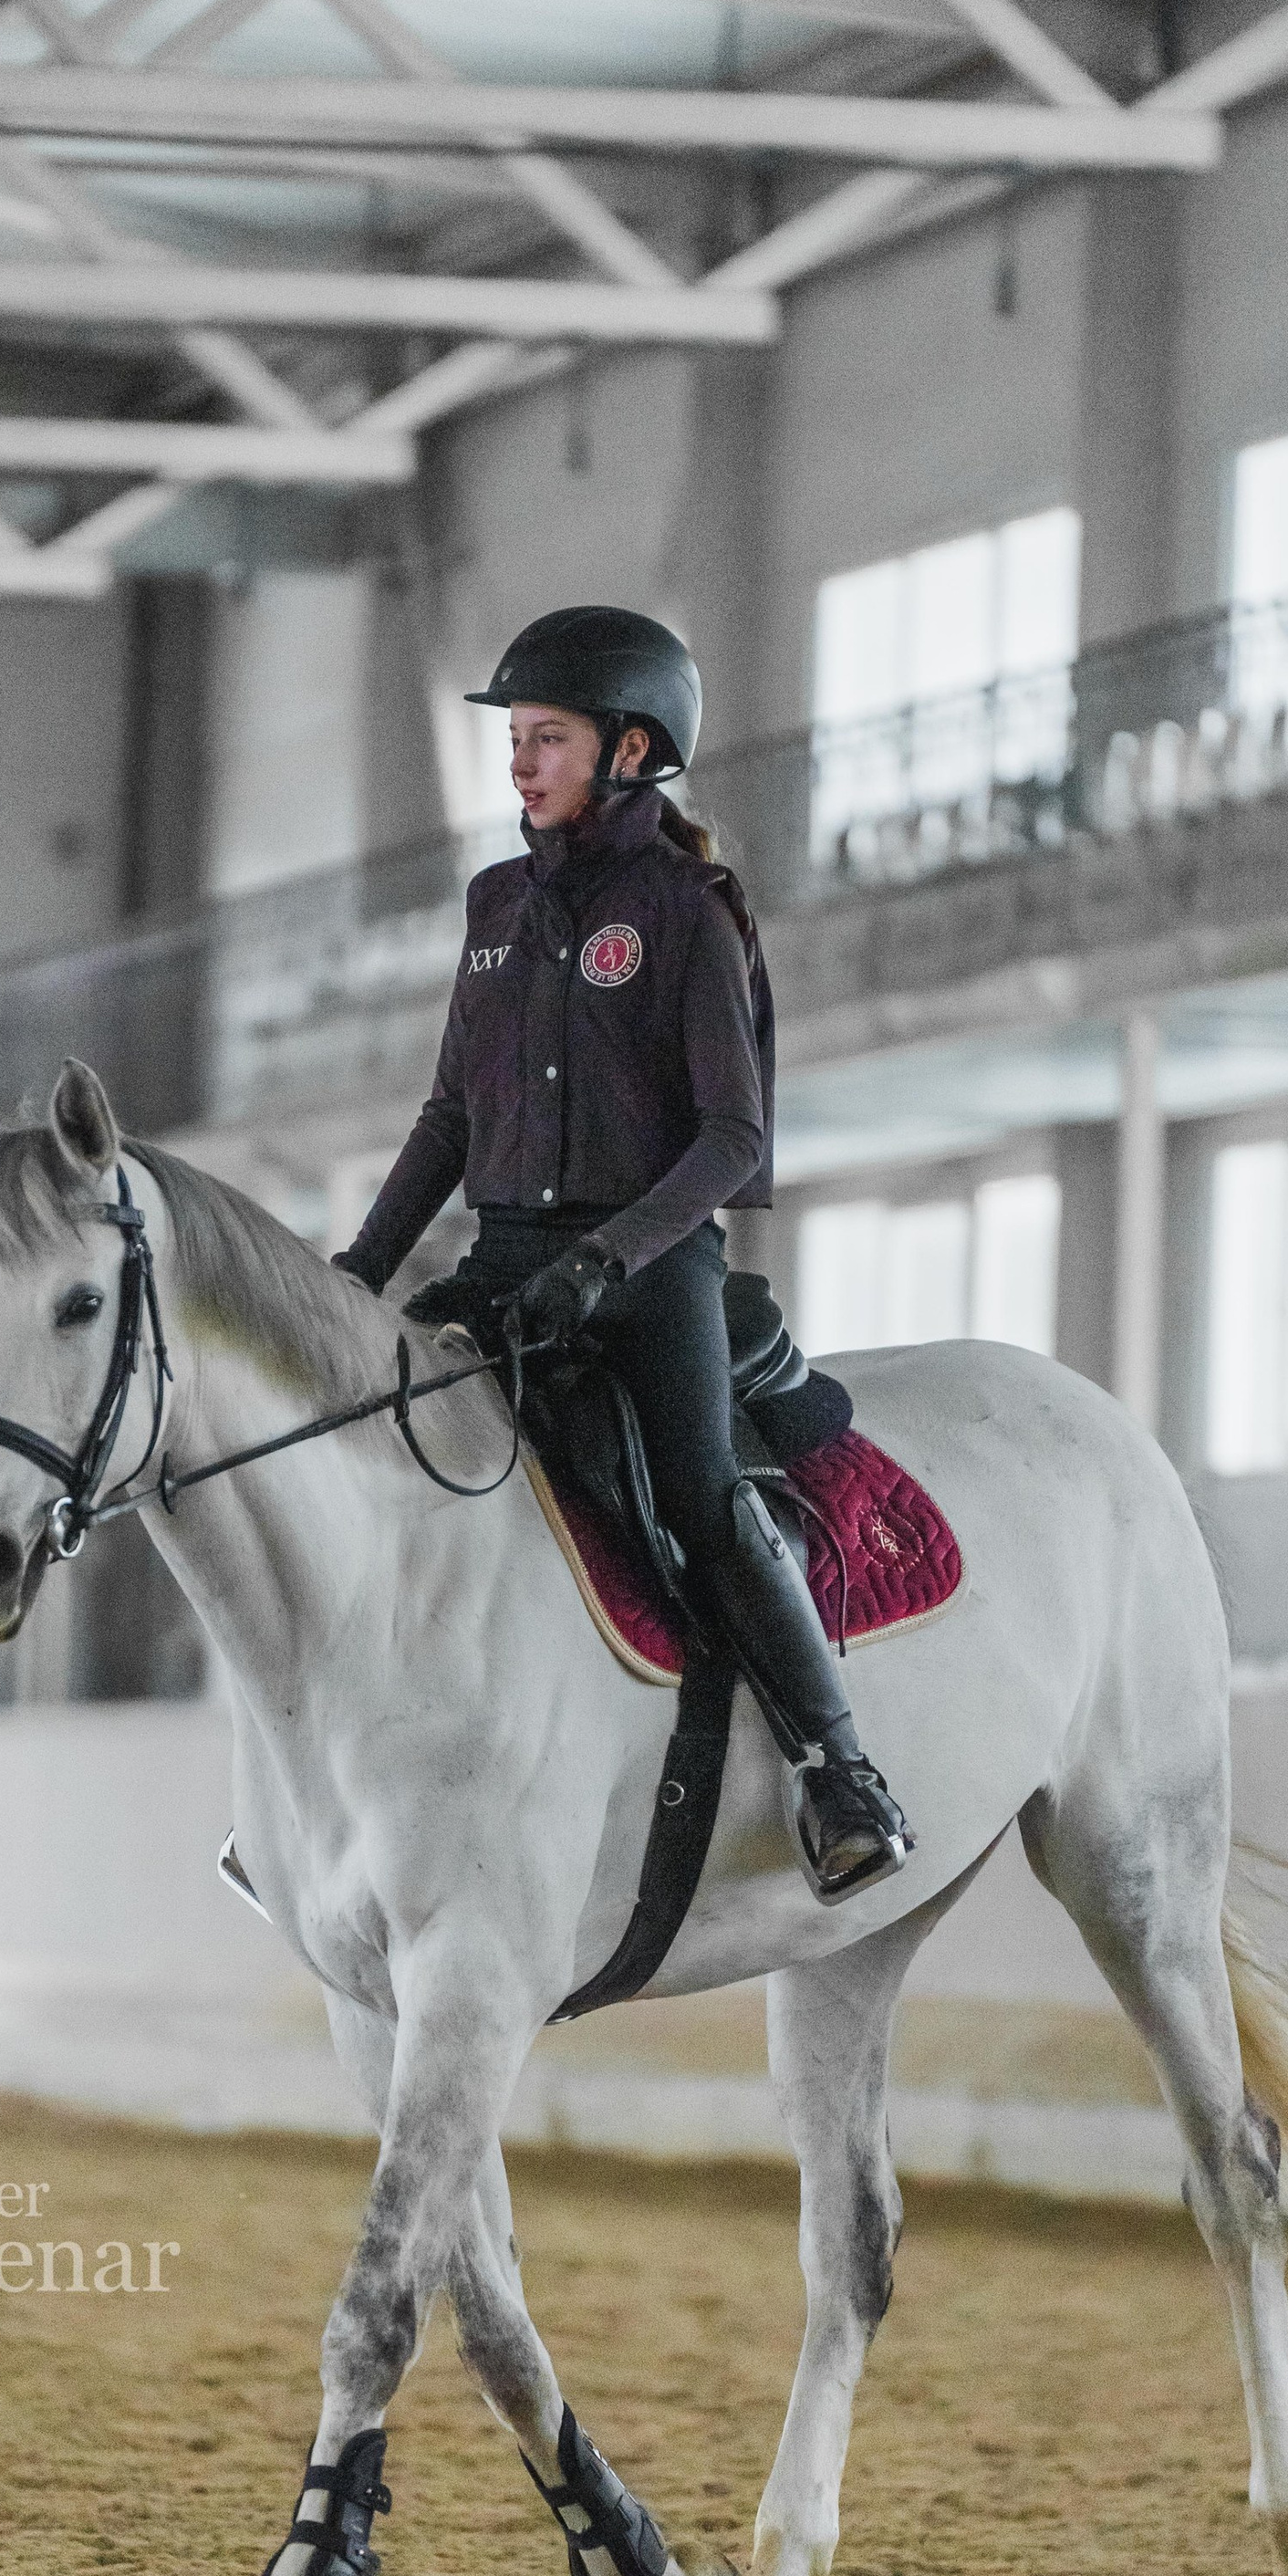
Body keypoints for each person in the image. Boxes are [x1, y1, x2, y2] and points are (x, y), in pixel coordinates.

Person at [332, 603, 911, 1904]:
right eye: (515, 740)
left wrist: (607, 1260)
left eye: (547, 738)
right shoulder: (493, 905)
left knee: (704, 1495)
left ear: (631, 748)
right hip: (504, 1260)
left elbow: (731, 1136)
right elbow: (451, 1115)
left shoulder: (690, 911)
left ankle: (840, 1770)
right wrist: (360, 1268)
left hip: (649, 1270)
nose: (521, 763)